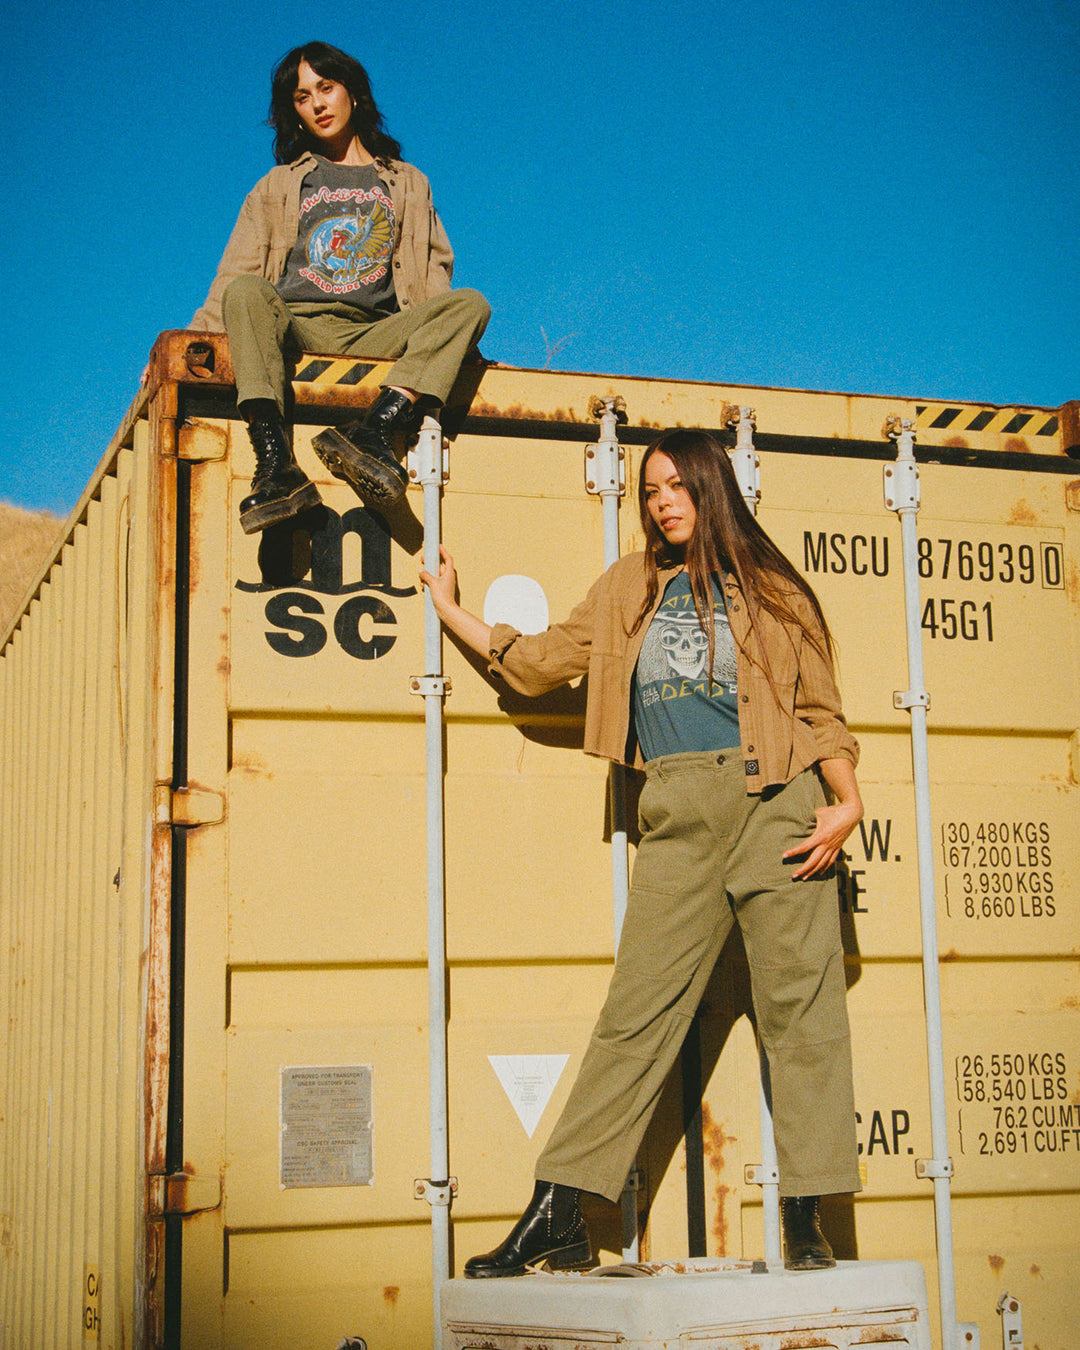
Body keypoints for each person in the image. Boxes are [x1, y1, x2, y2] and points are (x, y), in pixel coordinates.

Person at [420, 428, 864, 1276]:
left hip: (779, 805)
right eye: (651, 488)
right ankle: (557, 1209)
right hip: (677, 811)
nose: (663, 501)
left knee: (803, 1018)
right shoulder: (627, 586)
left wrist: (847, 802)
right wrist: (451, 611)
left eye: (679, 486)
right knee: (635, 1018)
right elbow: (545, 660)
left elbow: (819, 711)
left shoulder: (775, 590)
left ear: (712, 490)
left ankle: (807, 1215)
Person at [191, 41, 490, 534]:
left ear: (352, 92)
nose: (318, 104)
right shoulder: (277, 185)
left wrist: (458, 347)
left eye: (326, 88)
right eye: (302, 97)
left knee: (472, 305)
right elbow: (231, 276)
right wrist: (189, 342)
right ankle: (275, 466)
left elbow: (435, 281)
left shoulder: (408, 183)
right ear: (296, 113)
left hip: (376, 333)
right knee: (244, 291)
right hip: (292, 326)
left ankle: (373, 433)